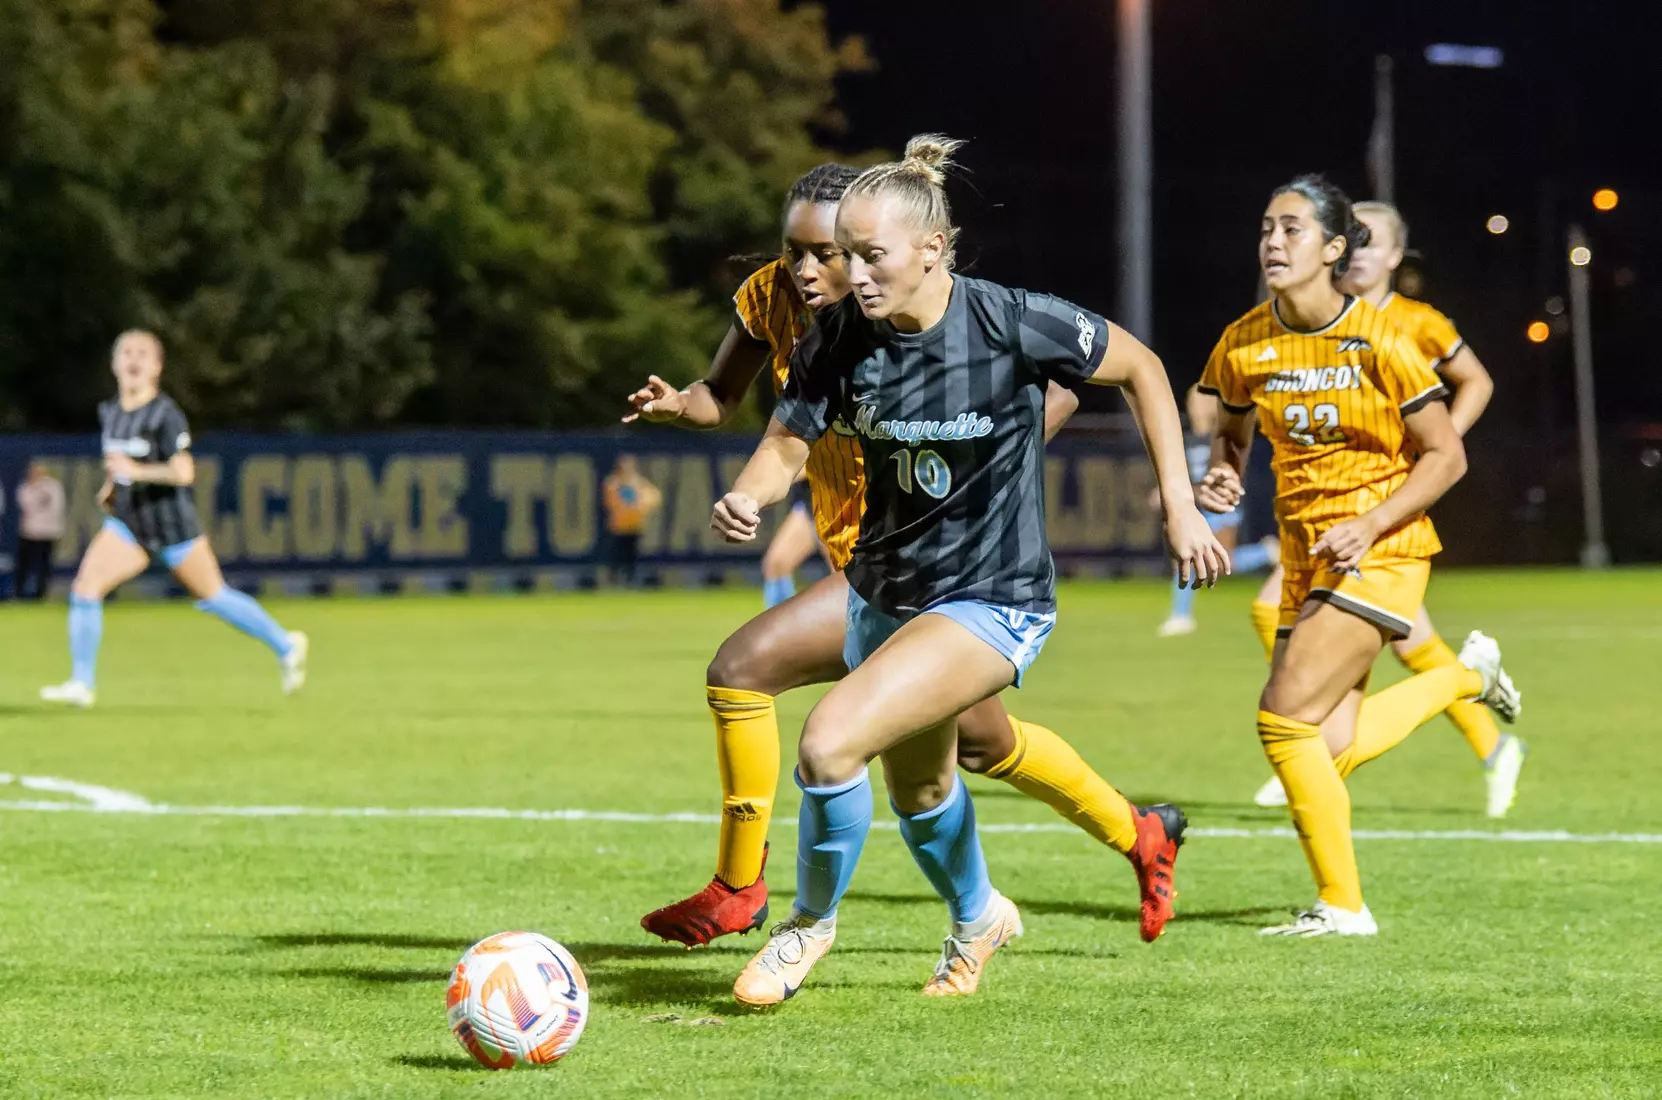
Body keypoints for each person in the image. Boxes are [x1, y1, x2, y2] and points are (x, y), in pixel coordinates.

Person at [708, 135, 1227, 1005]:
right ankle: (979, 916)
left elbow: (1140, 365)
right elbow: (787, 440)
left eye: (871, 256)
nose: (855, 274)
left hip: (994, 599)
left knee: (830, 744)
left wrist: (1179, 502)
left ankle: (805, 926)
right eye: (848, 255)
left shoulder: (1010, 320)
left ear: (932, 251)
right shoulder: (840, 336)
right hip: (884, 591)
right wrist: (752, 495)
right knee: (924, 791)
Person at [1196, 176, 1520, 938]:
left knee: (1283, 723)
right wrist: (1223, 474)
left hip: (1385, 546)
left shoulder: (1382, 339)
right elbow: (1231, 432)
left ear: (1335, 249)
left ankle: (1344, 909)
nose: (1274, 242)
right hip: (1309, 552)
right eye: (1267, 229)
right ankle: (1465, 677)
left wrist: (1372, 520)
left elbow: (1446, 458)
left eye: (1293, 230)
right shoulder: (1244, 341)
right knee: (1327, 745)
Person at [1249, 201, 1526, 818]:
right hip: (1335, 506)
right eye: (1352, 239)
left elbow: (1476, 380)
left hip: (1388, 502)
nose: (1359, 251)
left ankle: (1308, 738)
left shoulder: (1416, 322)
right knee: (1403, 641)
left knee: (1284, 609)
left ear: (1396, 258)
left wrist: (1440, 443)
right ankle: (1483, 741)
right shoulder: (1317, 320)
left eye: (1372, 242)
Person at [39, 331, 308, 708]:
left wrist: (138, 471)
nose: (134, 360)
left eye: (143, 354)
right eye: (127, 353)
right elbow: (120, 465)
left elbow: (184, 472)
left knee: (214, 596)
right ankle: (81, 684)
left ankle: (285, 644)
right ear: (115, 364)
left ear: (157, 367)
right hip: (129, 524)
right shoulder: (111, 413)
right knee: (85, 587)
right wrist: (113, 488)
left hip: (172, 527)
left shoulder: (165, 415)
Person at [1155, 386, 1280, 636]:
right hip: (1196, 508)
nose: (1195, 406)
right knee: (1187, 558)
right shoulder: (1187, 438)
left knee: (1222, 562)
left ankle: (1264, 553)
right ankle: (1181, 616)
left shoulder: (1222, 438)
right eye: (1192, 401)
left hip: (1222, 508)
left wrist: (1193, 492)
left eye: (1200, 402)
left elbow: (1225, 476)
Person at [600, 455, 661, 587]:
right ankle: (613, 581)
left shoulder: (637, 482)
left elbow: (653, 496)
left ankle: (630, 580)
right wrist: (633, 506)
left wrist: (643, 506)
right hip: (619, 526)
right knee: (616, 556)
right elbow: (613, 502)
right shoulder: (613, 483)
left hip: (634, 526)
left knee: (631, 556)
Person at [15, 462, 67, 601]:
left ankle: (40, 594)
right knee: (24, 565)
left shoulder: (53, 486)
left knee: (44, 565)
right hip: (29, 532)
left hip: (48, 533)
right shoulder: (26, 487)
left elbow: (56, 508)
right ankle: (19, 593)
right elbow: (26, 504)